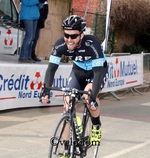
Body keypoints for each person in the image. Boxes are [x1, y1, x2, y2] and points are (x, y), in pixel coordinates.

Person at [40, 15, 108, 156]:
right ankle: (66, 149)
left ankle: (96, 125)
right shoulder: (60, 44)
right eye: (66, 35)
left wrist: (93, 97)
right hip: (78, 71)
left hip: (96, 72)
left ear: (81, 35)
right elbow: (51, 69)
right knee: (67, 104)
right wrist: (46, 90)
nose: (69, 39)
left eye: (74, 36)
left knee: (88, 96)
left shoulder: (92, 44)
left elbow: (98, 72)